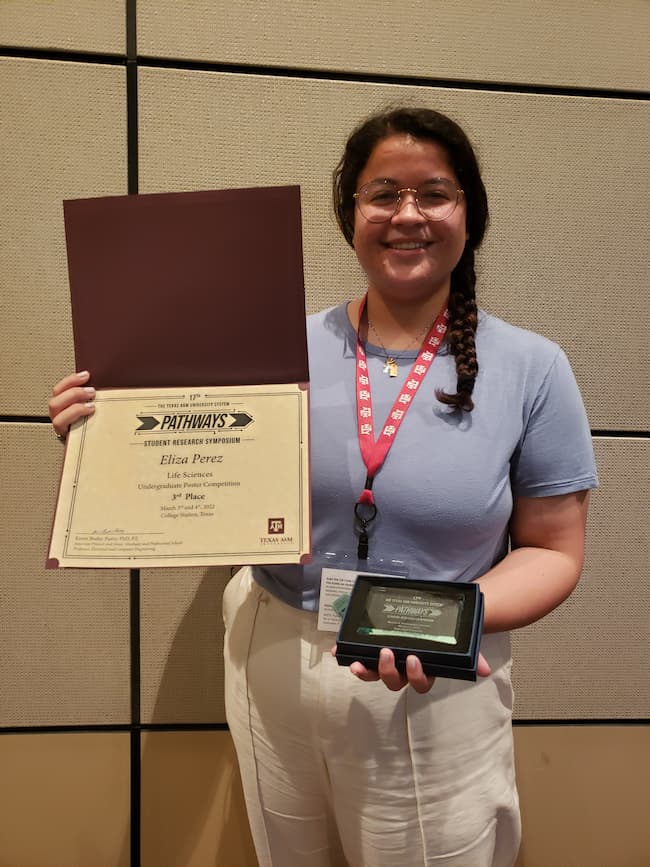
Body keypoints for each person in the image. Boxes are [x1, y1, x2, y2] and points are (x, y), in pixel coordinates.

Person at [49, 107, 598, 867]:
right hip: (272, 647)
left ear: (469, 214)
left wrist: (449, 619)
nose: (408, 213)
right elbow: (189, 451)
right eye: (383, 194)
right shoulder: (274, 343)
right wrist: (102, 430)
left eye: (434, 193)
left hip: (431, 669)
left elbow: (554, 548)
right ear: (351, 216)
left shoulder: (532, 368)